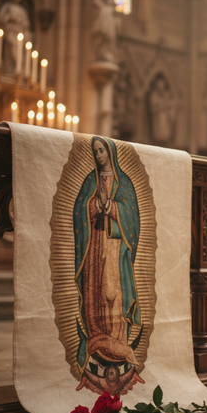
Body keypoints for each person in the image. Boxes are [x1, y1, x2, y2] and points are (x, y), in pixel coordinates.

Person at [74, 136, 144, 395]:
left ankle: (118, 344)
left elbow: (132, 217)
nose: (99, 154)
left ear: (111, 152)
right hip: (94, 247)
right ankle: (97, 342)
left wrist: (113, 207)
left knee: (112, 292)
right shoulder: (90, 181)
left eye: (102, 150)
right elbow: (80, 208)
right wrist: (93, 205)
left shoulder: (123, 182)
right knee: (94, 294)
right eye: (96, 151)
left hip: (115, 248)